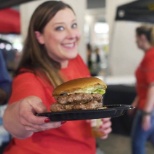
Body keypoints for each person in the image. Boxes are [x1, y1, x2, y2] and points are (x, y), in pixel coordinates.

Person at [2, 1, 112, 154]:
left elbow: (85, 112)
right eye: (60, 28)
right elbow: (12, 121)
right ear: (39, 37)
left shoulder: (76, 60)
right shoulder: (29, 76)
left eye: (73, 25)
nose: (72, 34)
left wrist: (98, 123)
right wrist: (20, 114)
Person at [131, 24, 154, 154]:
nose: (135, 40)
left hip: (148, 109)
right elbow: (145, 85)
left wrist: (146, 114)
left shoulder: (151, 56)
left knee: (137, 145)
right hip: (147, 107)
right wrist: (136, 102)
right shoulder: (149, 55)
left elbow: (152, 86)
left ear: (143, 37)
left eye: (136, 37)